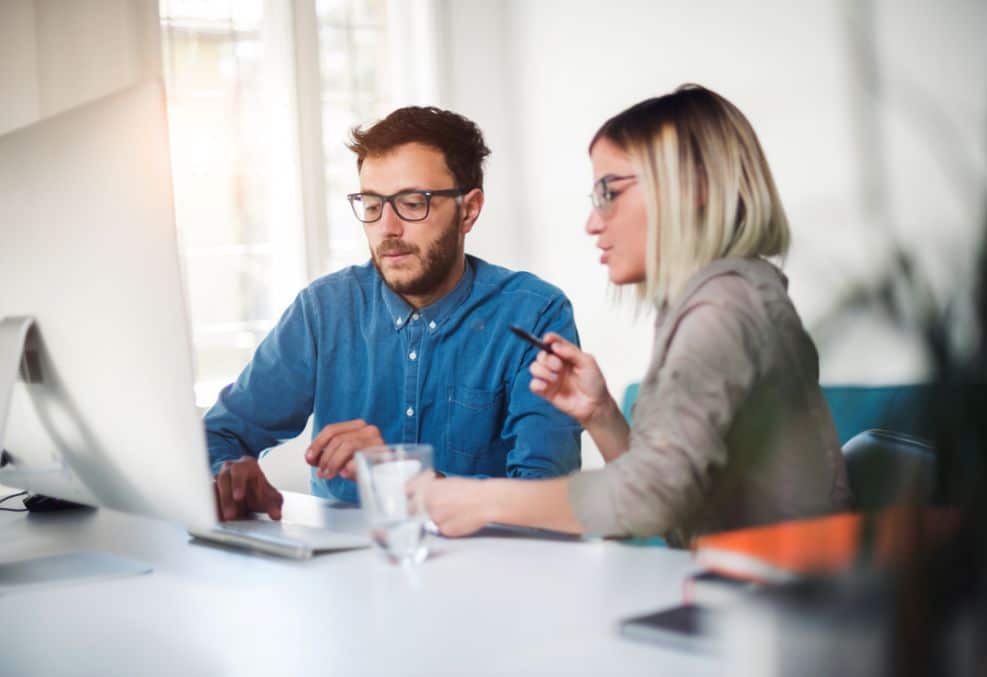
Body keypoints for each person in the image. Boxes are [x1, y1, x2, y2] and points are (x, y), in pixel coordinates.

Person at [421, 85, 853, 545]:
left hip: (781, 601)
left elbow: (651, 499)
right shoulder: (714, 298)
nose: (593, 222)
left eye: (610, 192)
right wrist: (602, 413)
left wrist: (482, 500)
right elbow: (674, 501)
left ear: (695, 185)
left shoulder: (723, 308)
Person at [205, 106, 582, 521]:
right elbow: (220, 433)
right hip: (343, 574)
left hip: (483, 574)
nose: (387, 228)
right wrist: (228, 473)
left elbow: (551, 503)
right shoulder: (324, 310)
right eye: (371, 204)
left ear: (469, 210)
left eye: (411, 203)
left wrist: (399, 472)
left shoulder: (534, 314)